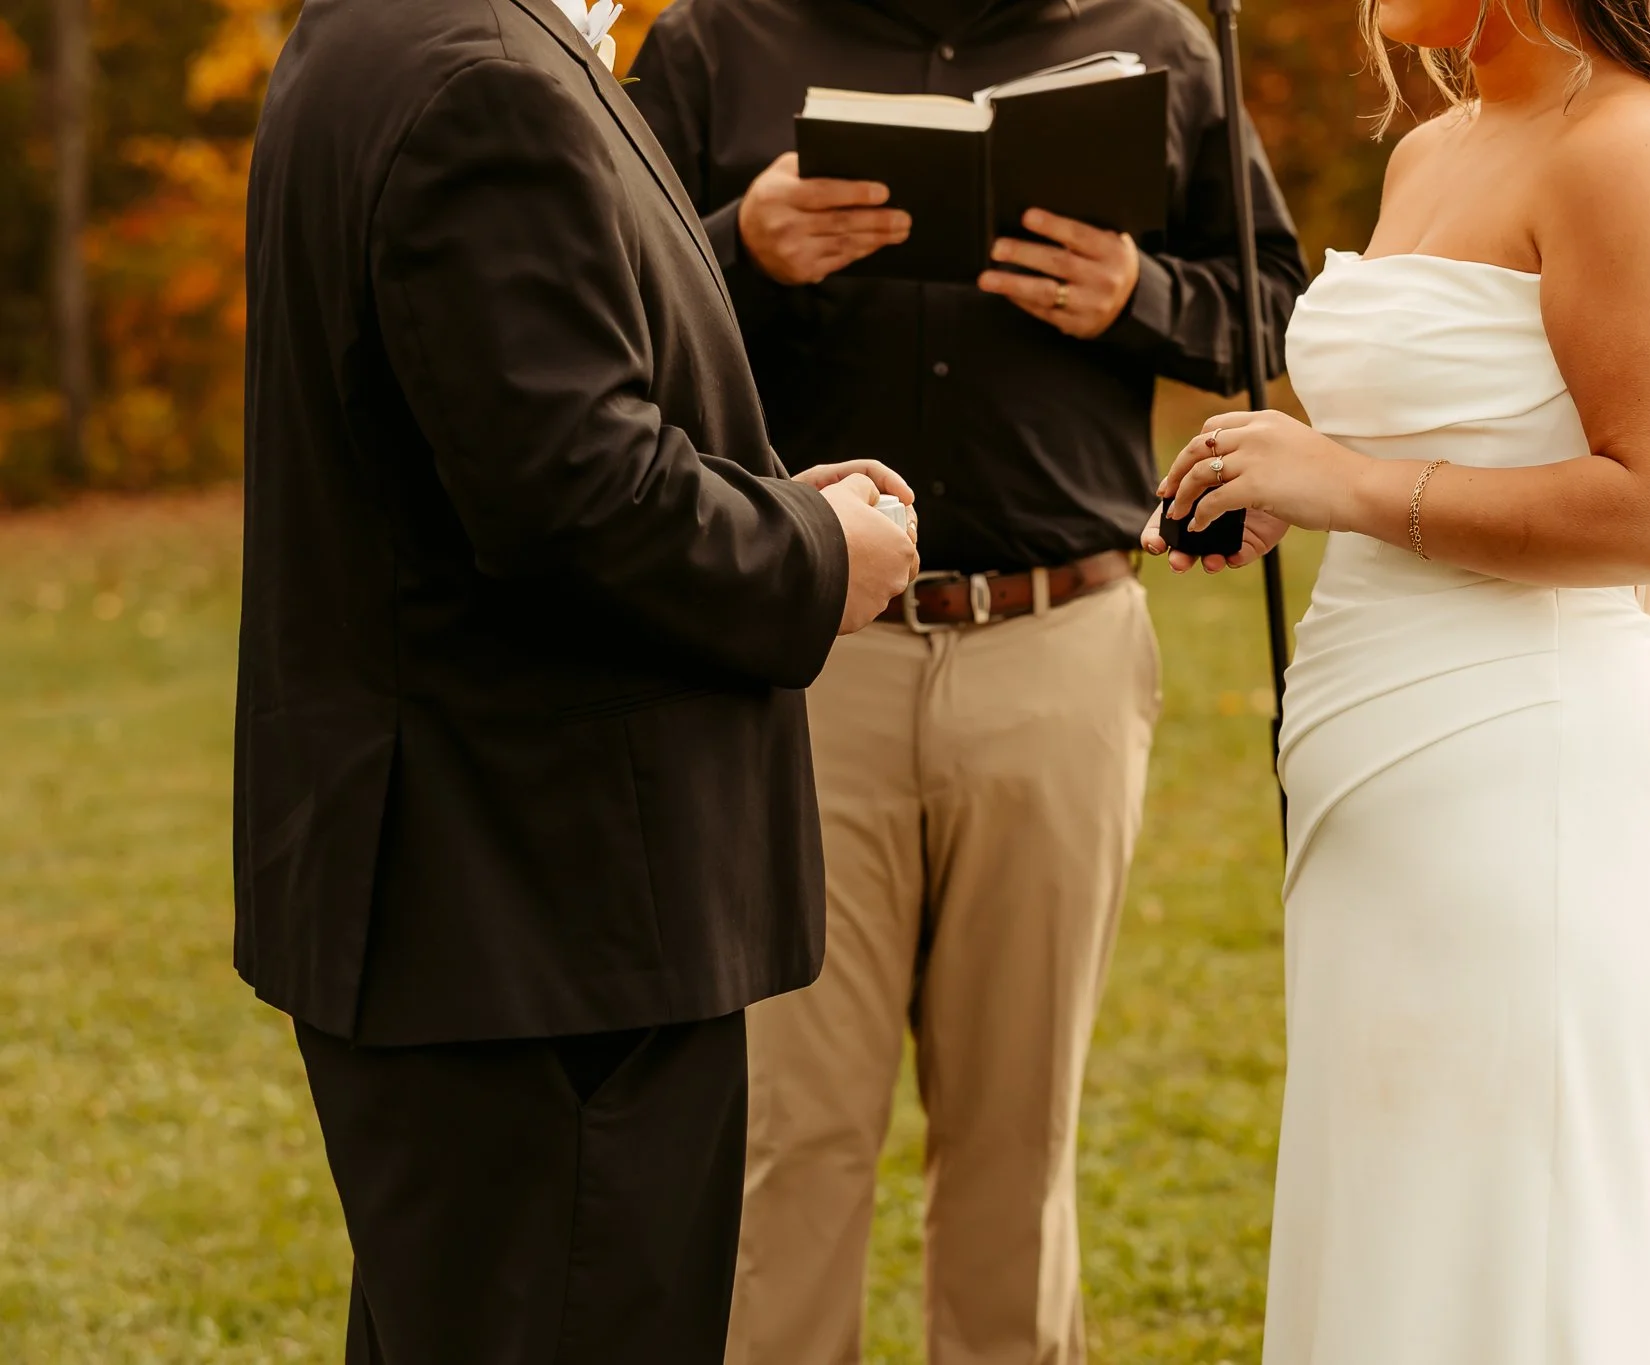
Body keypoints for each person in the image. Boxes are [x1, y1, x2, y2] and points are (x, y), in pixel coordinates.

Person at [234, 0, 920, 1358]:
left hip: (470, 898)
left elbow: (507, 424)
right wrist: (815, 554)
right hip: (543, 908)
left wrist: (769, 495)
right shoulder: (487, 83)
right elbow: (572, 496)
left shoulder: (374, 33)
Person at [626, 2, 1305, 1360]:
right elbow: (599, 314)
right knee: (791, 1137)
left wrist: (1142, 300)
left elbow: (1279, 313)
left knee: (1018, 1134)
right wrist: (739, 248)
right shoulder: (716, 41)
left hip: (1062, 655)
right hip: (801, 666)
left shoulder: (1158, 41)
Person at [1146, 0, 1650, 1360]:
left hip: (1531, 799)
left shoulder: (1631, 148)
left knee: (1508, 1251)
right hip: (1383, 795)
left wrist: (1347, 479)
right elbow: (1461, 433)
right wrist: (1289, 482)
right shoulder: (1434, 146)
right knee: (1398, 1237)